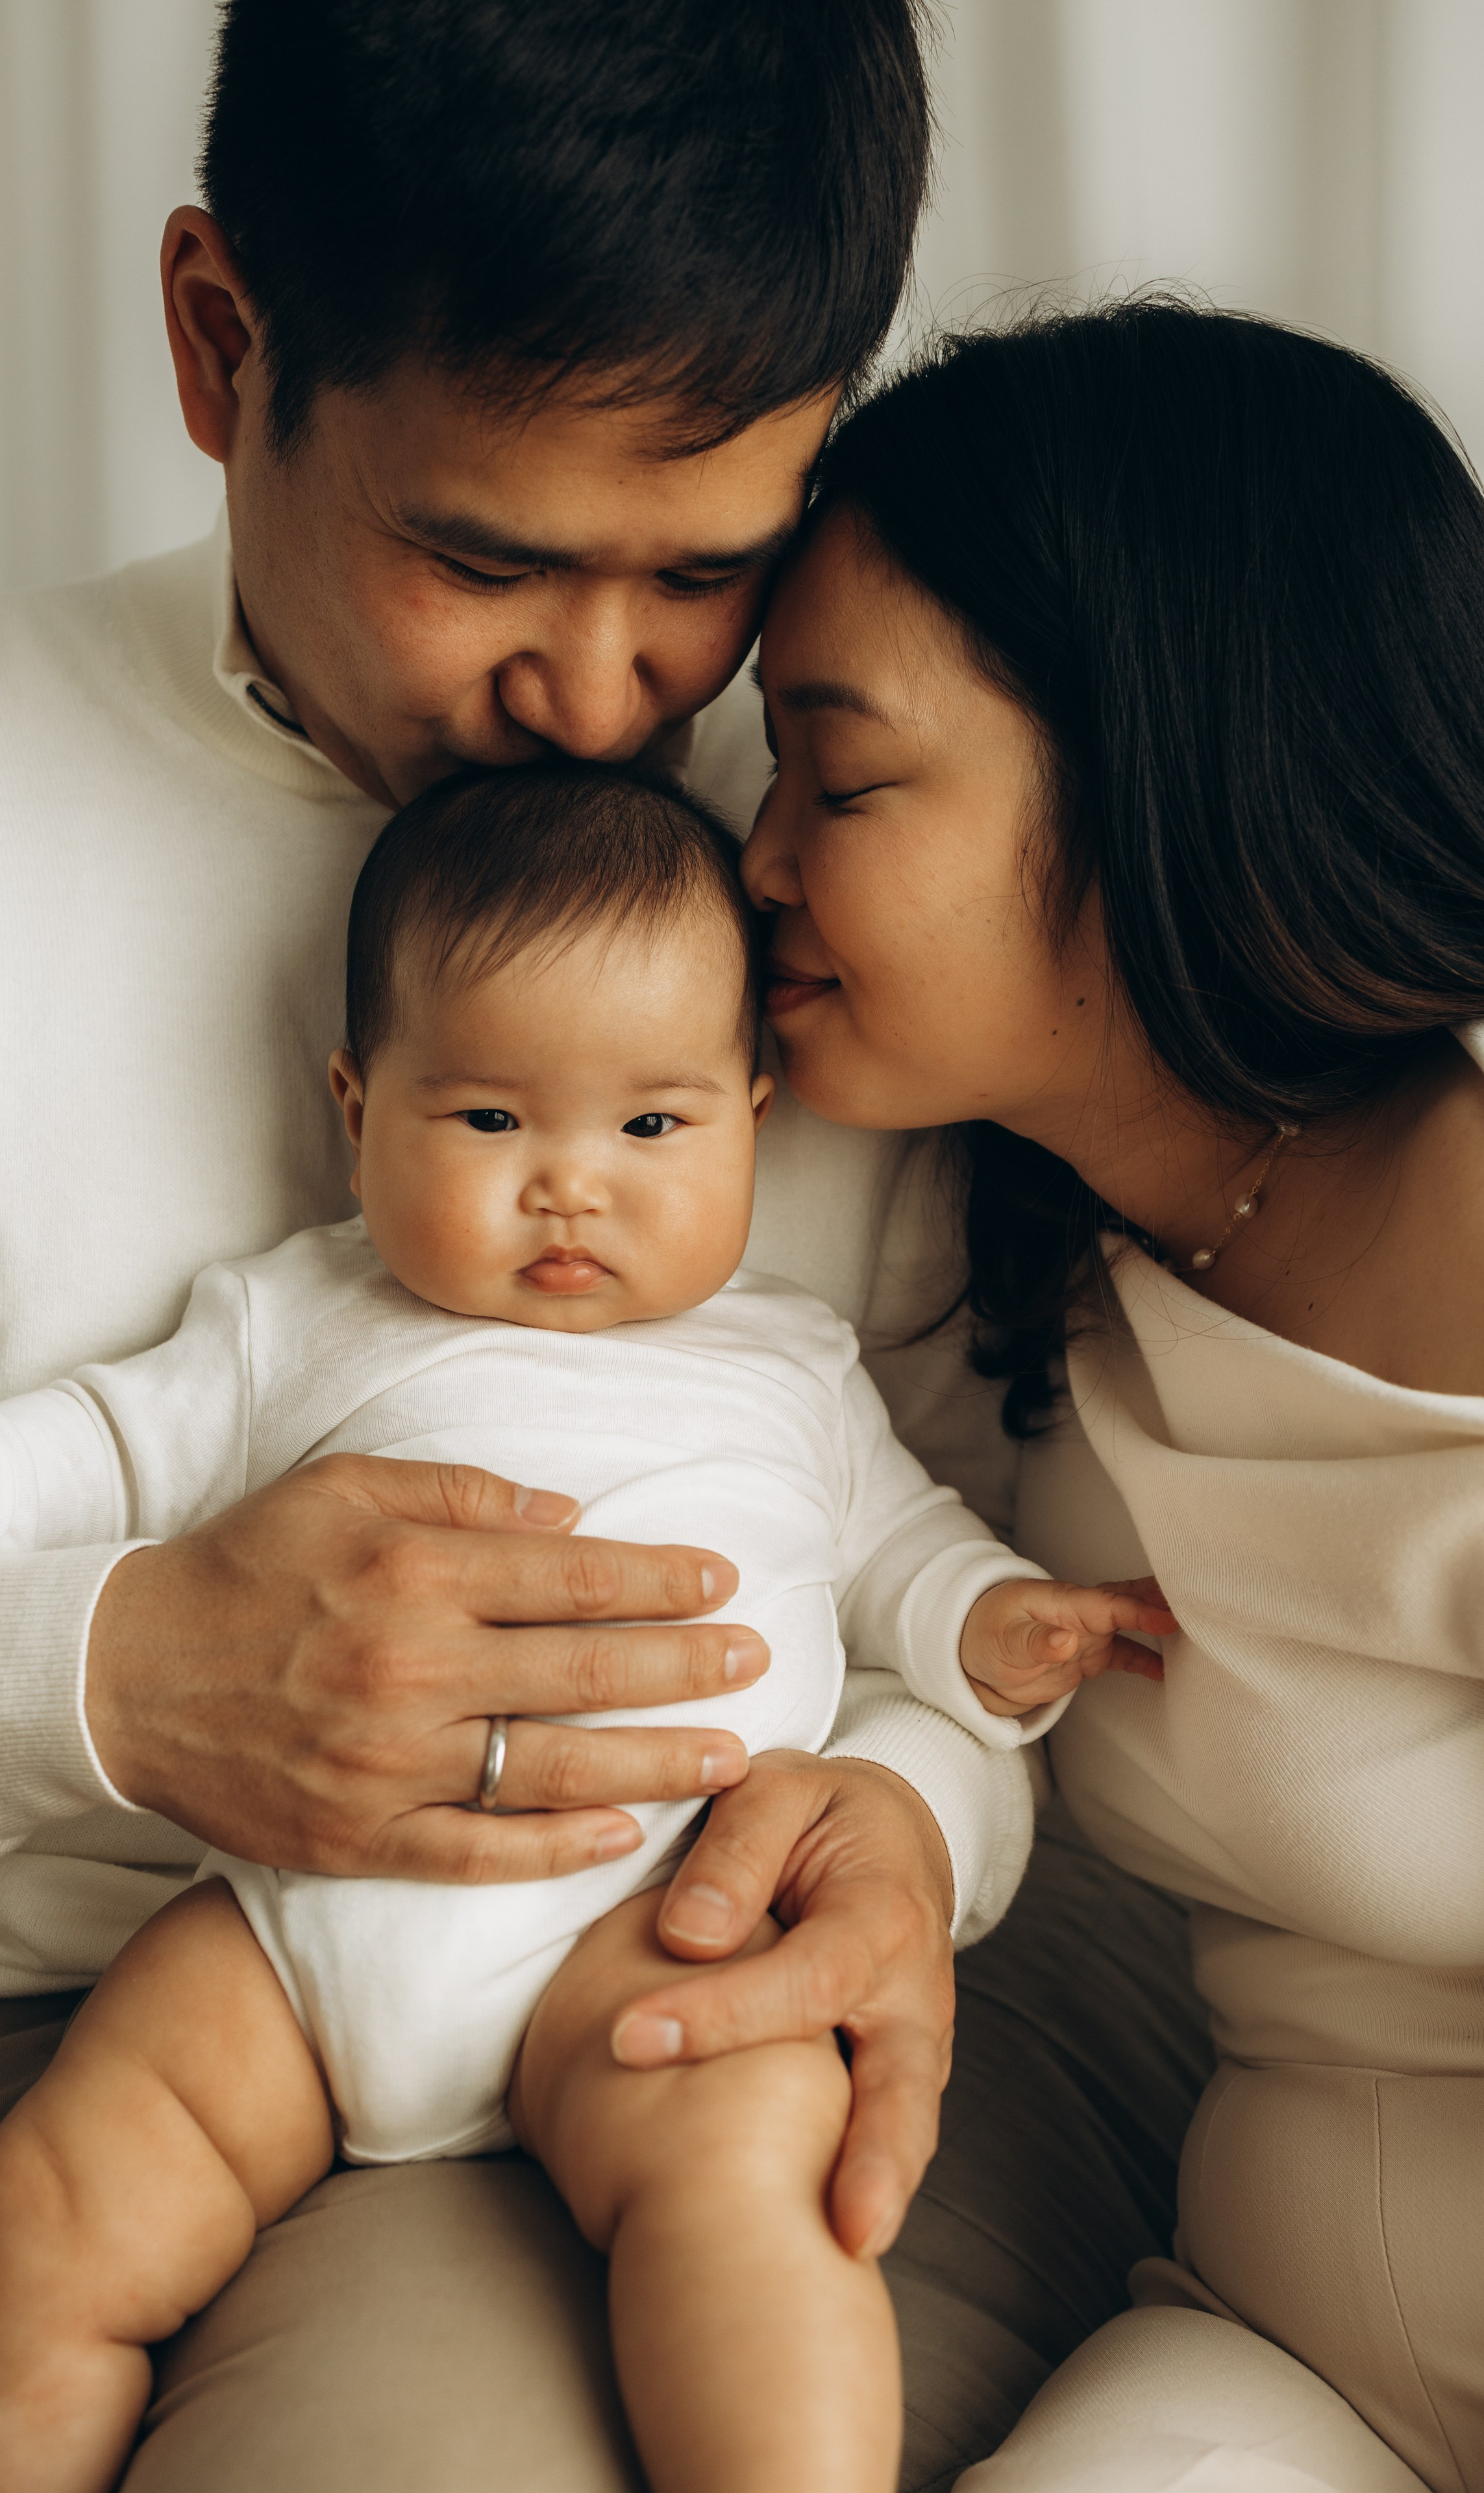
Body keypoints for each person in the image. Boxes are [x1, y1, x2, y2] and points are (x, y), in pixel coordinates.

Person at [0, 4, 1215, 2486]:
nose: (608, 699)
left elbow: (1012, 1606)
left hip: (602, 2003)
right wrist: (105, 1677)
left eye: (707, 572)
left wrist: (913, 1821)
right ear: (219, 342)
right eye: (483, 559)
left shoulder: (840, 863)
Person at [0, 762, 1171, 2493]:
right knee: (46, 2207)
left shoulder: (793, 1362)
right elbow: (107, 1436)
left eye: (653, 1126)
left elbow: (899, 1552)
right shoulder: (293, 1316)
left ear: (755, 1113)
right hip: (299, 1936)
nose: (571, 1187)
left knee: (750, 2193)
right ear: (356, 1104)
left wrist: (988, 1627)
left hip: (650, 1921)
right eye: (488, 1123)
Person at [742, 296, 1484, 2491]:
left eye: (840, 775)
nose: (760, 858)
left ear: (1168, 763)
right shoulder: (988, 1251)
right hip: (1283, 2359)